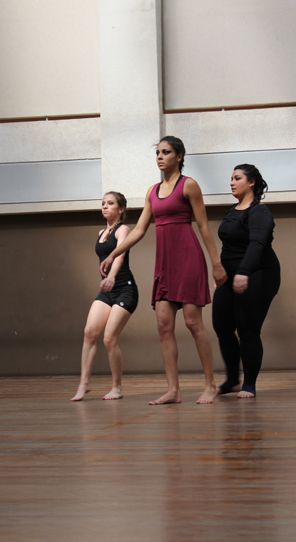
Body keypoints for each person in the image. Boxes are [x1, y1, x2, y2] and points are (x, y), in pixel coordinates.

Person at [100, 136, 227, 404]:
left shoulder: (189, 185)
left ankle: (210, 384)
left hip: (188, 258)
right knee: (163, 325)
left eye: (166, 152)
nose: (160, 156)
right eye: (157, 152)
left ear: (179, 156)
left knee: (193, 323)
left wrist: (216, 264)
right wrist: (114, 253)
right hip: (165, 263)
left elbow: (203, 226)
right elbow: (139, 230)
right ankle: (173, 390)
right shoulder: (151, 191)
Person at [212, 164, 280, 399]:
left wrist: (243, 271)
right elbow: (228, 247)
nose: (231, 182)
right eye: (230, 178)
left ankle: (249, 384)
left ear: (251, 182)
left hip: (259, 273)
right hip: (230, 276)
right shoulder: (232, 210)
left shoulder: (259, 211)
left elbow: (257, 244)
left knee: (247, 328)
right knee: (221, 325)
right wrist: (220, 273)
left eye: (237, 178)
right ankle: (232, 379)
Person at [71, 192, 138, 401]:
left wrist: (111, 276)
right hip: (107, 292)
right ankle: (84, 384)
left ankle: (117, 387)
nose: (105, 207)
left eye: (110, 204)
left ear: (121, 209)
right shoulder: (101, 232)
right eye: (103, 204)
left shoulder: (123, 229)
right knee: (90, 332)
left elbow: (121, 253)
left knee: (109, 339)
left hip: (125, 289)